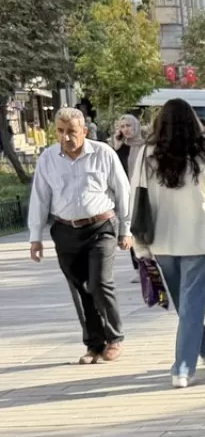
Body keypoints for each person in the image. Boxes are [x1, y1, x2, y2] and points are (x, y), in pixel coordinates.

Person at [132, 99, 205, 388]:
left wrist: (140, 243)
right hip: (191, 239)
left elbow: (137, 201)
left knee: (188, 305)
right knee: (187, 306)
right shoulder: (196, 155)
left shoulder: (150, 156)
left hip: (170, 240)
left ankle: (183, 366)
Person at [27, 107, 133, 364]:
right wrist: (35, 236)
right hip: (65, 230)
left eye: (71, 132)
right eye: (60, 132)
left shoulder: (103, 153)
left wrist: (125, 230)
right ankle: (94, 345)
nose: (65, 137)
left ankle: (115, 337)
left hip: (101, 228)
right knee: (79, 289)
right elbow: (39, 197)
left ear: (84, 131)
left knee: (98, 282)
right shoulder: (48, 158)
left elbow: (123, 191)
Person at [113, 115, 148, 284]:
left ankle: (150, 265)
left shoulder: (144, 146)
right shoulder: (117, 148)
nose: (126, 129)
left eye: (128, 125)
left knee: (144, 231)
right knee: (130, 231)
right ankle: (138, 268)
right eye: (122, 126)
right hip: (125, 195)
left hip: (142, 193)